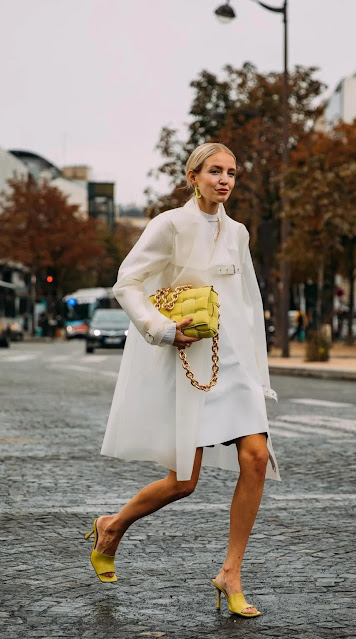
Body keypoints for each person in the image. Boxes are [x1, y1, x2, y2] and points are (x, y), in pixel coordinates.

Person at [86, 142, 281, 618]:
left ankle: (230, 573)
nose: (225, 180)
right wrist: (160, 328)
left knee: (255, 459)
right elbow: (126, 282)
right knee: (183, 482)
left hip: (236, 364)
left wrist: (259, 373)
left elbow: (249, 303)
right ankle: (112, 526)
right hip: (191, 359)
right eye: (215, 171)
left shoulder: (238, 233)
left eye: (232, 172)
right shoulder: (168, 224)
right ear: (193, 175)